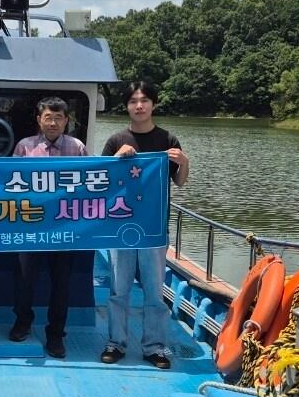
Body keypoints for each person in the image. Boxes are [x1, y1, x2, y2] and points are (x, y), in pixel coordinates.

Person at [100, 81, 190, 370]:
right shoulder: (116, 140)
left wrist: (184, 161)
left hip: (153, 228)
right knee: (118, 289)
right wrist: (116, 160)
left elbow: (180, 180)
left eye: (144, 100)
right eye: (133, 101)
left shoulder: (168, 140)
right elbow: (100, 180)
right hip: (120, 227)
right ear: (126, 106)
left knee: (154, 291)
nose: (139, 106)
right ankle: (116, 342)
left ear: (153, 104)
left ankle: (155, 347)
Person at [10, 96, 87, 359]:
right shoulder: (24, 147)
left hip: (64, 229)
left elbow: (89, 185)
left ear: (67, 120)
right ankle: (22, 322)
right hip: (30, 227)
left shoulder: (77, 148)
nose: (53, 123)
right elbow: (11, 186)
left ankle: (56, 335)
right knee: (24, 279)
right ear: (39, 119)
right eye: (48, 117)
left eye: (58, 118)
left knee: (61, 284)